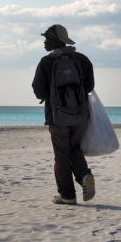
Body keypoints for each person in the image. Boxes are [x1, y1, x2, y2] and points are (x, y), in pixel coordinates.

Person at [32, 24, 96, 206]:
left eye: (47, 38)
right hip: (80, 115)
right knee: (74, 148)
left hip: (57, 116)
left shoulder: (46, 62)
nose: (44, 42)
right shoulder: (82, 60)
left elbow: (38, 90)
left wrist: (54, 97)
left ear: (55, 40)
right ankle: (85, 175)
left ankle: (67, 195)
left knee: (61, 154)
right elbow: (89, 87)